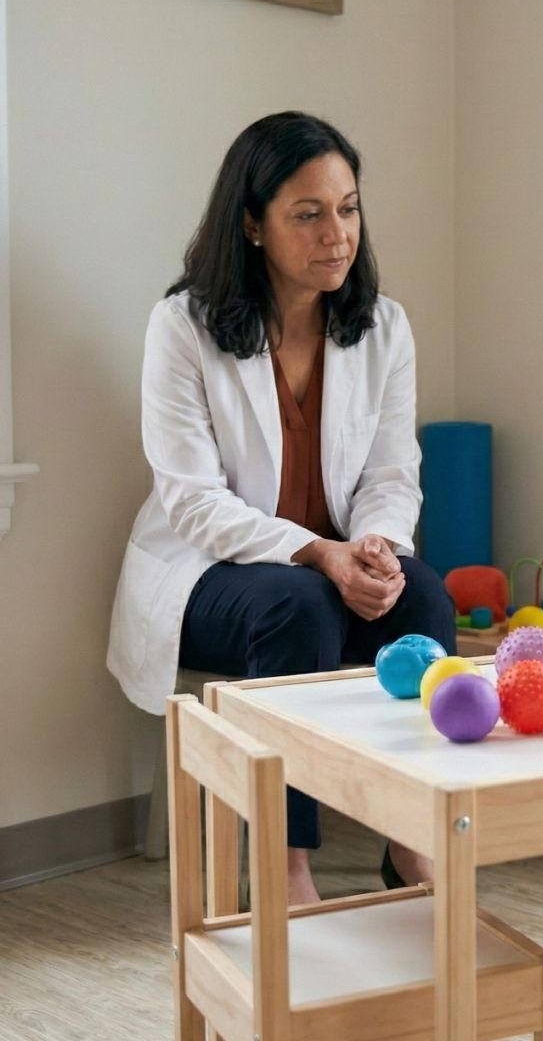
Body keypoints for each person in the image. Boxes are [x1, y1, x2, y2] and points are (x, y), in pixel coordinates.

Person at [107, 111, 456, 905]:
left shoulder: (383, 326)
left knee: (425, 598)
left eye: (349, 208)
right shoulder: (182, 328)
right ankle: (285, 863)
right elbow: (192, 502)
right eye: (308, 214)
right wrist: (317, 553)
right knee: (300, 606)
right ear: (252, 225)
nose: (338, 234)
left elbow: (394, 472)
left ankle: (410, 841)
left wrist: (375, 548)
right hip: (209, 576)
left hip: (331, 565)